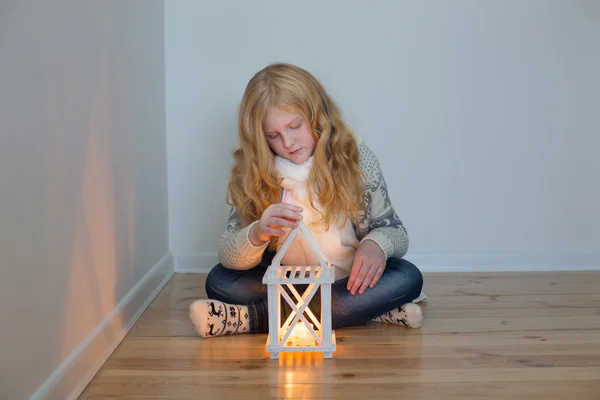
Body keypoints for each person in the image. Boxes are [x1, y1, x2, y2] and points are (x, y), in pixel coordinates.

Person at [189, 63, 426, 338]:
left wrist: (376, 245)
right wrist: (257, 233)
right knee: (221, 282)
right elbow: (227, 254)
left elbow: (396, 231)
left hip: (349, 279)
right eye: (273, 136)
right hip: (289, 279)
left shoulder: (357, 160)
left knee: (407, 276)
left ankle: (252, 319)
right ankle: (366, 310)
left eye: (294, 126)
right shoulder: (255, 173)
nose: (288, 142)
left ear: (317, 116)